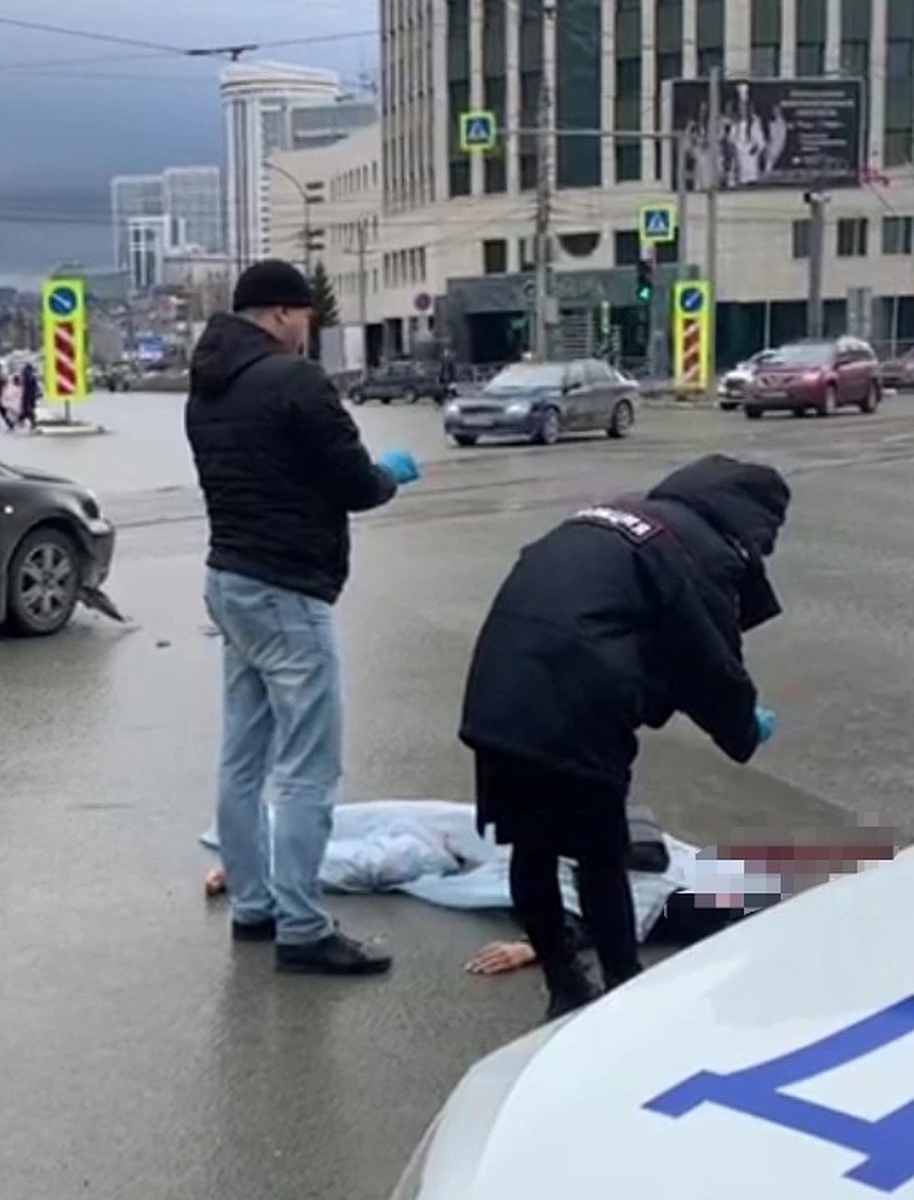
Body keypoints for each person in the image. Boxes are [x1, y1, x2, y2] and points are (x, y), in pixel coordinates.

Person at [459, 455, 790, 1021]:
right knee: (600, 855)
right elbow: (709, 661)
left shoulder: (610, 517)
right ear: (749, 521)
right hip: (577, 705)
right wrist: (742, 725)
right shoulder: (697, 551)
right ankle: (619, 994)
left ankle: (565, 985)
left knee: (531, 847)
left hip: (498, 694)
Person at [186, 258, 420, 977]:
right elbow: (353, 484)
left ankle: (254, 907)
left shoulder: (207, 387)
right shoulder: (295, 382)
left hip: (229, 580)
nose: (306, 333)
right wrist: (390, 474)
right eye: (305, 319)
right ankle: (302, 927)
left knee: (243, 756)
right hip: (287, 591)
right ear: (283, 313)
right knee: (309, 768)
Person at [18, 361, 40, 429]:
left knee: (26, 410)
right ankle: (33, 423)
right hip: (29, 395)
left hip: (28, 395)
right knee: (29, 410)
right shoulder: (29, 376)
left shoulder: (26, 375)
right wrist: (36, 391)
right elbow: (32, 386)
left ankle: (21, 420)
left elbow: (30, 385)